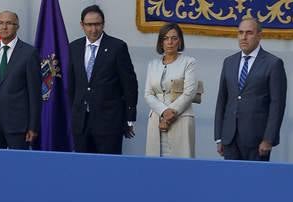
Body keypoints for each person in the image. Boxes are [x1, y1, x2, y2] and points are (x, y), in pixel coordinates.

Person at [68, 5, 138, 154]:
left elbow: (129, 85)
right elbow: (72, 84)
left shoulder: (117, 47)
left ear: (103, 24)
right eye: (89, 25)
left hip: (109, 123)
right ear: (82, 25)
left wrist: (130, 117)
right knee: (83, 167)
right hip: (81, 123)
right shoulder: (74, 47)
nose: (93, 29)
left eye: (97, 24)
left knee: (108, 169)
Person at [214, 18, 286, 161]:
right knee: (231, 180)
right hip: (230, 138)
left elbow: (277, 105)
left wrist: (268, 138)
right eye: (240, 33)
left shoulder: (273, 63)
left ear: (259, 36)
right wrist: (219, 137)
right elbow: (222, 100)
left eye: (249, 33)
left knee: (255, 182)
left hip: (257, 140)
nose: (243, 37)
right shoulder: (229, 62)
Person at [0, 10, 42, 149]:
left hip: (18, 124)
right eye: (0, 23)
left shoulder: (29, 53)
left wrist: (33, 127)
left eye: (9, 23)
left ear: (17, 26)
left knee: (18, 166)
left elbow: (35, 94)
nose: (4, 27)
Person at [144, 23, 198, 158]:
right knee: (155, 165)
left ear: (179, 41)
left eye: (174, 38)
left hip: (181, 119)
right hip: (156, 119)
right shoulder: (153, 65)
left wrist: (169, 115)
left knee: (181, 167)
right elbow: (148, 94)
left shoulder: (189, 62)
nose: (170, 42)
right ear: (161, 42)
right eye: (166, 38)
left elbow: (189, 92)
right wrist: (163, 111)